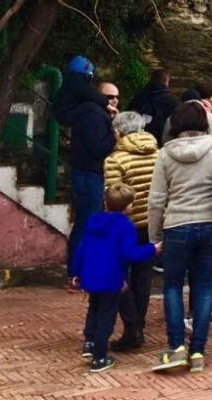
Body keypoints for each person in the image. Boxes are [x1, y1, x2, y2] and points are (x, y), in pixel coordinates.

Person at [148, 102, 212, 374]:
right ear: (204, 122)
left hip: (176, 226)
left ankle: (176, 346)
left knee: (173, 287)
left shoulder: (165, 154)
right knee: (202, 287)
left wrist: (155, 235)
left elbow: (156, 200)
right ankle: (198, 351)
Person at [73, 183, 158, 373]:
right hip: (112, 278)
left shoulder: (94, 221)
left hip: (91, 275)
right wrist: (152, 249)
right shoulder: (125, 226)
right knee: (106, 316)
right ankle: (100, 356)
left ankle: (89, 342)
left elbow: (82, 248)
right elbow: (130, 253)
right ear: (128, 206)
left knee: (93, 309)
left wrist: (76, 272)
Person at [103, 111, 159, 352]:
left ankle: (131, 326)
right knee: (143, 277)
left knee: (119, 278)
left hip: (125, 227)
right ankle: (139, 326)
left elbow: (112, 194)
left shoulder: (115, 160)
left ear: (119, 131)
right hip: (152, 224)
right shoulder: (159, 154)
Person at [66, 80, 118, 280]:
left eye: (116, 97)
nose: (114, 100)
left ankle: (81, 269)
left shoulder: (98, 115)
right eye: (109, 96)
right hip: (88, 173)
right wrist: (114, 136)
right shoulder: (92, 115)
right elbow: (97, 147)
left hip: (89, 172)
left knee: (88, 222)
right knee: (86, 223)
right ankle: (77, 272)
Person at [129, 69, 179, 146]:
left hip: (138, 140)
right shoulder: (172, 101)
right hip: (161, 143)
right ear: (167, 82)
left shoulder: (138, 98)